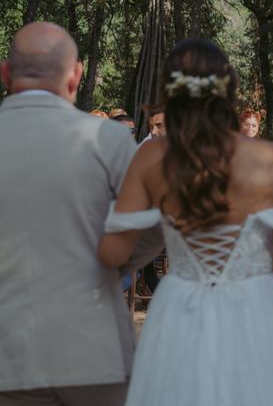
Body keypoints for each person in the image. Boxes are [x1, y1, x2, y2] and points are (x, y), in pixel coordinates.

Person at [98, 38, 273, 406]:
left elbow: (114, 252)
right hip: (257, 308)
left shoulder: (151, 157)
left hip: (180, 307)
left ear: (169, 93)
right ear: (229, 91)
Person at [0, 22, 162, 405]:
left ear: (5, 73)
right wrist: (113, 265)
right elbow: (153, 228)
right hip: (94, 346)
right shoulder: (108, 141)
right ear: (75, 75)